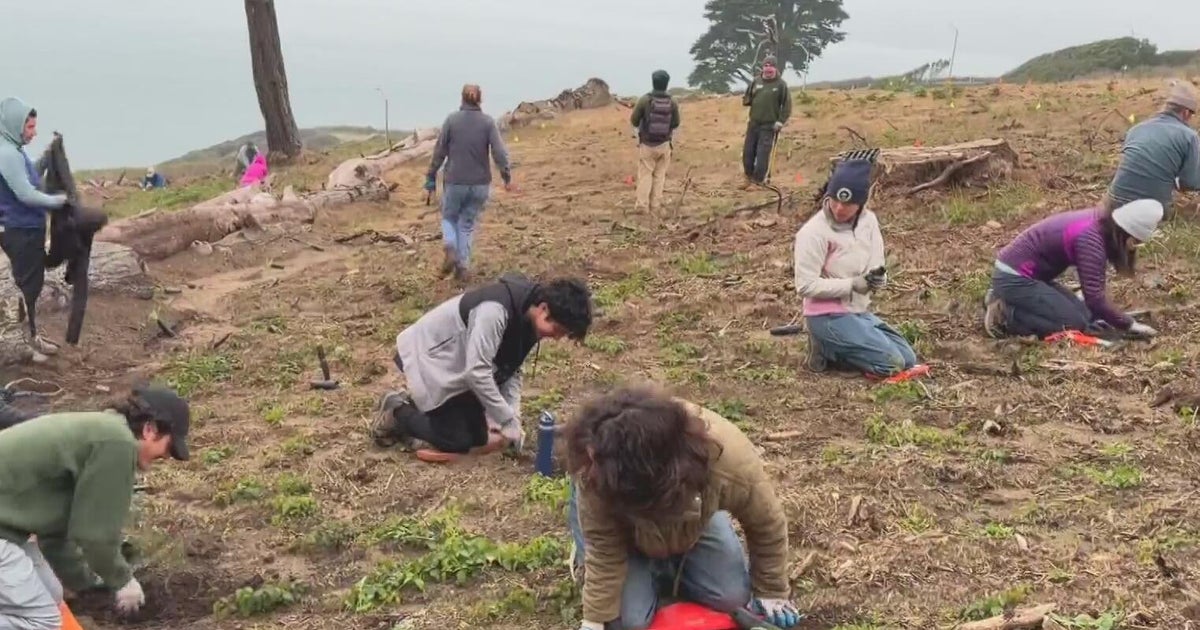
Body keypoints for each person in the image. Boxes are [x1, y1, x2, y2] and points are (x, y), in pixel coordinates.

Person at [563, 385, 802, 630]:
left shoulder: (729, 461)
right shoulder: (597, 470)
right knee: (628, 622)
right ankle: (641, 559)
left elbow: (766, 523)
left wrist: (771, 592)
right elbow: (604, 551)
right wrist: (593, 621)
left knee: (732, 598)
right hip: (627, 528)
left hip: (691, 512)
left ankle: (672, 557)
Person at [0, 383, 191, 629]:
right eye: (169, 446)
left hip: (7, 531)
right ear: (150, 429)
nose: (166, 457)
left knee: (52, 597)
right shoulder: (116, 444)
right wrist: (122, 580)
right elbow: (95, 535)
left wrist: (89, 585)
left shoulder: (100, 433)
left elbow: (54, 538)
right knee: (41, 622)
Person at [372, 272, 591, 462]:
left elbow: (512, 370)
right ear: (544, 309)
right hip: (431, 358)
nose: (557, 337)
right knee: (456, 440)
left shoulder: (529, 319)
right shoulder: (494, 311)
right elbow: (476, 372)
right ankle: (396, 410)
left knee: (478, 437)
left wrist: (512, 417)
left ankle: (423, 410)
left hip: (459, 367)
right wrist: (505, 419)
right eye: (559, 330)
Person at [793, 151, 919, 377]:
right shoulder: (813, 233)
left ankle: (835, 348)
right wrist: (852, 284)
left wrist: (877, 280)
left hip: (858, 311)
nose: (840, 209)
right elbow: (805, 285)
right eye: (836, 200)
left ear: (862, 203)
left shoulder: (869, 222)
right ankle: (828, 349)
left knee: (908, 359)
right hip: (826, 315)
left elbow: (877, 263)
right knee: (892, 365)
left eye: (848, 203)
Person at [983, 199, 1163, 340]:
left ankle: (1014, 300)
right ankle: (1006, 314)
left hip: (1034, 276)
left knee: (1086, 317)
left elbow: (1093, 300)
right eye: (1135, 242)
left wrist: (1110, 317)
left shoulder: (1101, 224)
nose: (1134, 248)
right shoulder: (1091, 240)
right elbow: (1094, 298)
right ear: (1127, 234)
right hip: (1014, 276)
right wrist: (1128, 324)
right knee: (1071, 324)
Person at [0, 97, 69, 363]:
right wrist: (59, 202)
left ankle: (32, 335)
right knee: (27, 286)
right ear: (15, 125)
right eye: (29, 127)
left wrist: (47, 156)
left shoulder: (13, 150)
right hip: (20, 228)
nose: (33, 132)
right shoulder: (6, 153)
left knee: (32, 282)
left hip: (27, 226)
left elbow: (30, 177)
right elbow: (26, 194)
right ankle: (24, 345)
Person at [425, 84, 513, 283]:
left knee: (449, 217)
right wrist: (506, 176)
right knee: (466, 224)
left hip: (455, 181)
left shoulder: (451, 121)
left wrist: (430, 176)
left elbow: (439, 151)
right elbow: (499, 153)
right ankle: (462, 267)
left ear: (462, 99)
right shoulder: (488, 123)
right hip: (480, 184)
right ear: (480, 99)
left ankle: (449, 247)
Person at [1104, 80, 1199, 217]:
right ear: (1185, 112)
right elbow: (1190, 183)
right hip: (1150, 211)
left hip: (1114, 203)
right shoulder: (1189, 136)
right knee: (1189, 209)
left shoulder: (1136, 129)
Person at [629, 70, 680, 214]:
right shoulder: (673, 101)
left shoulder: (644, 100)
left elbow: (634, 120)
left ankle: (642, 206)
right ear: (666, 83)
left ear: (653, 81)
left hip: (647, 144)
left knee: (645, 174)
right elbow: (676, 123)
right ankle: (656, 206)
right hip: (664, 144)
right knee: (659, 176)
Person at [740, 55, 792, 189]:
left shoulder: (781, 85)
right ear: (762, 68)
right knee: (748, 152)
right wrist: (746, 100)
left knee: (762, 154)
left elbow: (787, 106)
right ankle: (748, 177)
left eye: (771, 66)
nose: (768, 69)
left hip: (769, 126)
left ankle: (758, 181)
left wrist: (780, 121)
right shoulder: (756, 81)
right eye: (766, 66)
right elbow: (748, 97)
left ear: (775, 68)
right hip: (753, 123)